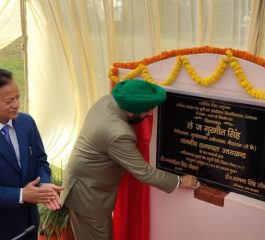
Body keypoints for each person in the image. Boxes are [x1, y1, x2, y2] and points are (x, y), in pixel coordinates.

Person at [61, 79, 199, 240]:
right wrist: (181, 181)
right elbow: (144, 172)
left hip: (84, 188)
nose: (150, 114)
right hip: (88, 198)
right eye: (148, 110)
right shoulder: (118, 133)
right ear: (133, 111)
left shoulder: (107, 101)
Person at [0, 69, 63, 240]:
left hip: (28, 223)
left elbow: (40, 160)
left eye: (18, 97)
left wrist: (43, 183)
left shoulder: (26, 123)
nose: (16, 104)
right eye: (9, 101)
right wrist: (21, 195)